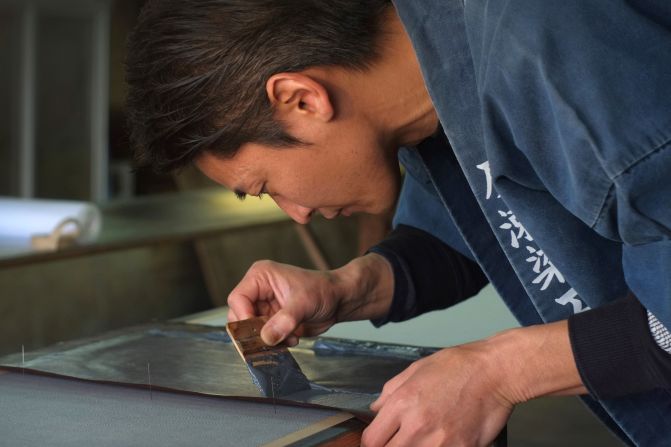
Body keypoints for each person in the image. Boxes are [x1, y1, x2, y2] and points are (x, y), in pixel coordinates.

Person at [126, 1, 671, 445]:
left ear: (301, 100)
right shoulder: (430, 94)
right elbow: (477, 237)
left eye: (265, 186)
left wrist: (498, 371)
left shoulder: (551, 44)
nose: (296, 213)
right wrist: (345, 288)